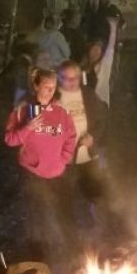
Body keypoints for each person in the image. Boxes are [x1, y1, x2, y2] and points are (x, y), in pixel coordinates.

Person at [4, 68, 77, 274]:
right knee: (39, 217)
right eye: (46, 87)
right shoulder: (23, 110)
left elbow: (71, 136)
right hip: (33, 173)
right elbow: (10, 140)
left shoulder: (61, 112)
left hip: (58, 173)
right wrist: (27, 127)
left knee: (61, 214)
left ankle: (66, 258)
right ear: (35, 86)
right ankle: (38, 261)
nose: (49, 91)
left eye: (53, 88)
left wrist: (64, 158)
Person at [56, 59, 114, 238]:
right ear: (59, 78)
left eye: (76, 78)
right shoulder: (52, 99)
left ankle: (100, 231)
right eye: (68, 79)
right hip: (64, 160)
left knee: (96, 193)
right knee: (66, 196)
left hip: (88, 157)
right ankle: (69, 233)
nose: (73, 83)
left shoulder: (88, 94)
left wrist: (93, 138)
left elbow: (102, 120)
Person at [81, 15, 120, 106]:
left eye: (99, 49)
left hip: (100, 104)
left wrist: (113, 27)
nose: (96, 51)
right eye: (94, 48)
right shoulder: (84, 65)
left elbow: (110, 48)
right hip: (86, 104)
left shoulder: (103, 66)